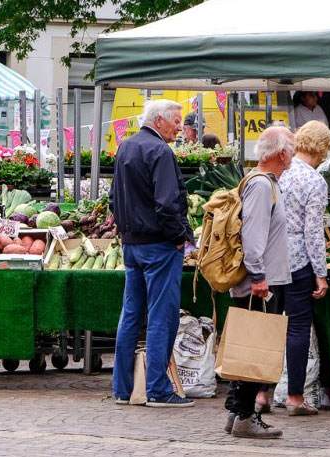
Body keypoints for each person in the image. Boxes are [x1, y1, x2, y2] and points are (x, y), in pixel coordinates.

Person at [110, 99, 195, 408]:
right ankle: (158, 389)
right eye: (176, 121)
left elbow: (113, 196)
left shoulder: (126, 147)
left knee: (131, 314)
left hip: (132, 244)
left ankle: (122, 388)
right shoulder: (160, 151)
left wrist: (125, 229)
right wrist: (177, 236)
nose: (180, 127)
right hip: (159, 245)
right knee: (162, 315)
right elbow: (168, 202)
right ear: (159, 121)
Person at [222, 127, 294, 440]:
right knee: (255, 349)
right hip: (261, 282)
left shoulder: (262, 182)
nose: (292, 152)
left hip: (262, 279)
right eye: (290, 147)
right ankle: (244, 417)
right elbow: (253, 233)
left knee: (250, 345)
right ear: (281, 153)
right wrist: (259, 275)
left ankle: (236, 412)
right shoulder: (263, 186)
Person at [269, 121, 330, 416]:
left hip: (269, 259)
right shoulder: (314, 181)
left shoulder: (275, 172)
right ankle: (295, 397)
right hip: (298, 262)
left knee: (268, 326)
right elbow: (313, 232)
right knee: (297, 328)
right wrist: (321, 272)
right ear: (322, 148)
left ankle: (259, 394)